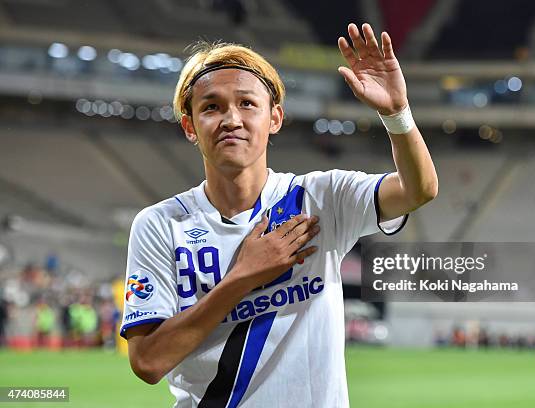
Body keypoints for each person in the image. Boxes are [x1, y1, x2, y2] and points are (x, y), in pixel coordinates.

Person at [122, 23, 437, 407]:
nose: (231, 119)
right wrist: (241, 278)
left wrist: (397, 114)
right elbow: (148, 362)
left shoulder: (322, 198)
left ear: (274, 118)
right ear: (190, 126)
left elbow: (418, 190)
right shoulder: (159, 225)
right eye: (211, 107)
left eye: (247, 103)